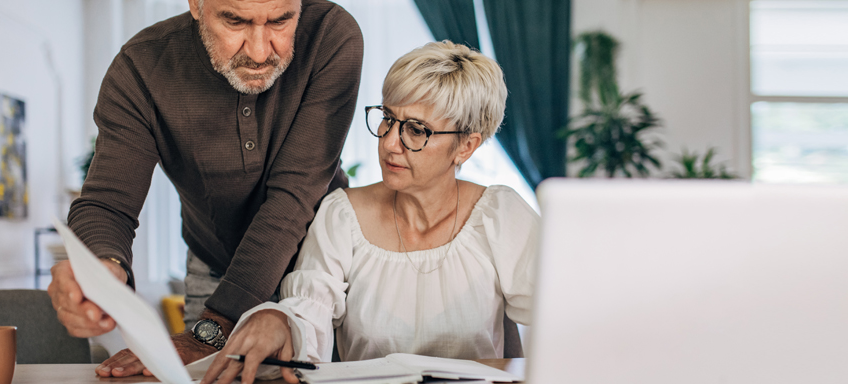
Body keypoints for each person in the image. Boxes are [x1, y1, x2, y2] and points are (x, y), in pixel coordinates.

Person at [45, 0, 363, 377]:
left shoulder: (331, 34)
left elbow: (293, 198)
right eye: (234, 20)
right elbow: (108, 202)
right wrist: (102, 269)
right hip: (216, 269)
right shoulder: (140, 68)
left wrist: (211, 330)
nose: (261, 51)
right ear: (196, 4)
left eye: (281, 20)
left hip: (322, 271)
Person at [200, 41, 539, 384]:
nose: (390, 142)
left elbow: (567, 312)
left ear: (466, 146)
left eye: (416, 130)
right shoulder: (342, 214)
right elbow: (307, 314)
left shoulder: (499, 215)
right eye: (388, 119)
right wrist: (280, 320)